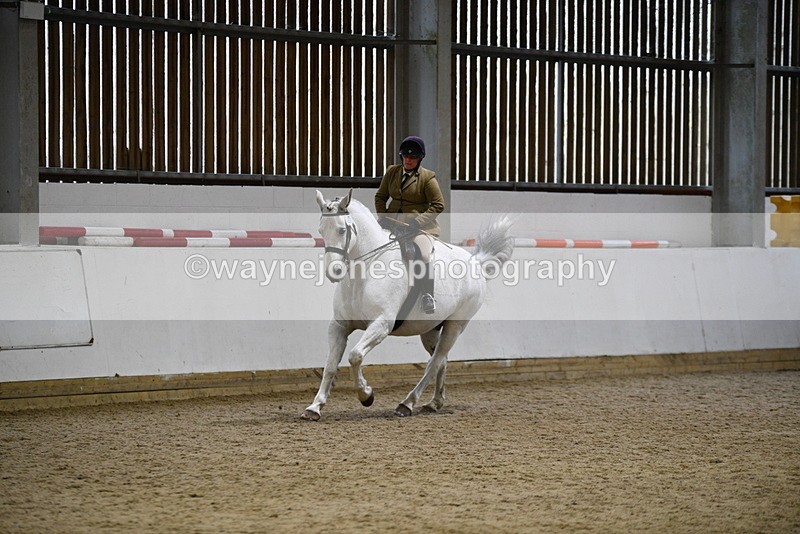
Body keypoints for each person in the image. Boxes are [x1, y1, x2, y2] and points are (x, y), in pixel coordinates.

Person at [375, 136, 445, 314]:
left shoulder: (428, 178)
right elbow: (380, 197)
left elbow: (438, 205)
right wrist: (382, 215)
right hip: (392, 223)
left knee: (423, 254)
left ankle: (427, 295)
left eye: (412, 158)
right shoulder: (392, 172)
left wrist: (417, 222)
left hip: (419, 228)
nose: (408, 159)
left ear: (419, 159)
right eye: (405, 156)